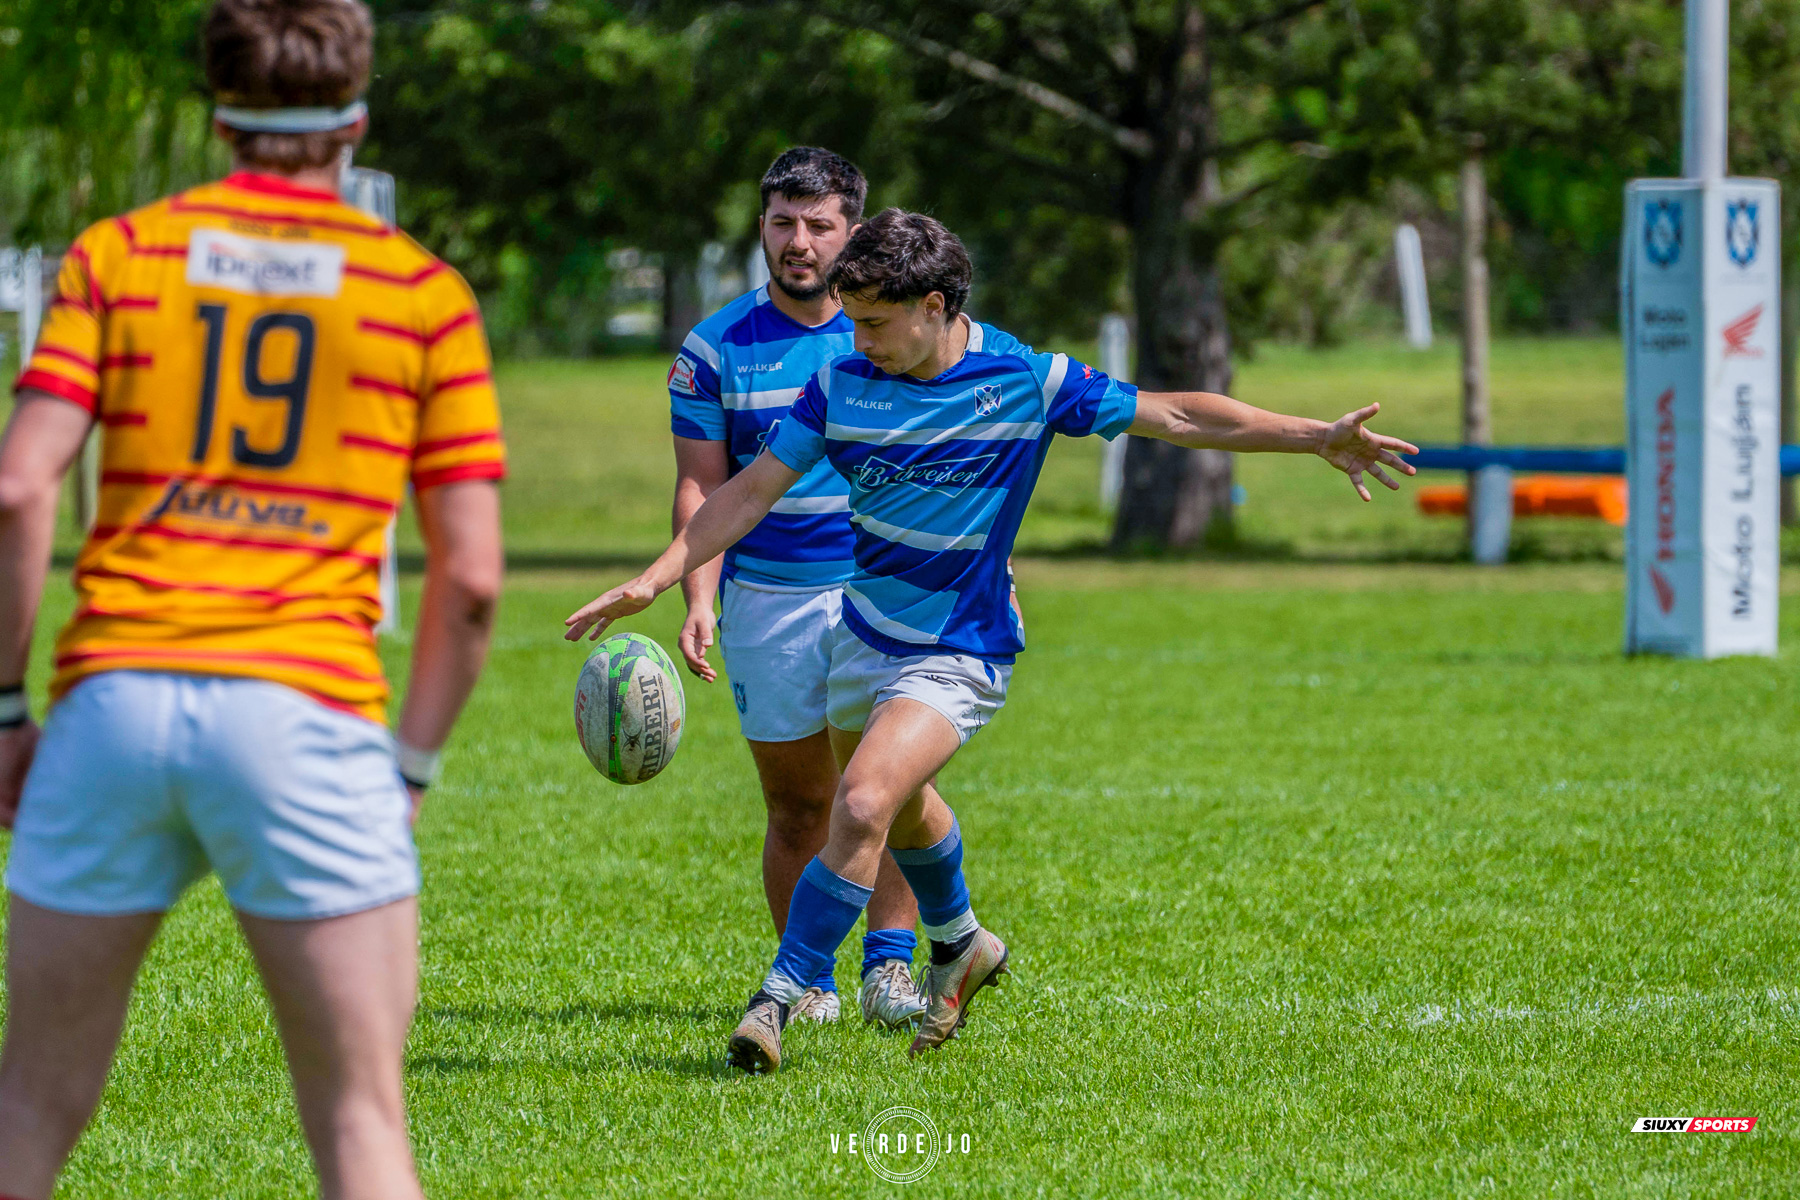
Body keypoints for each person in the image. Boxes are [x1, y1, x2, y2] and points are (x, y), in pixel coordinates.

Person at [567, 209, 1418, 1073]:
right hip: (864, 637)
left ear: (933, 305)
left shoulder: (1024, 379)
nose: (854, 340)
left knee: (859, 802)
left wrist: (1316, 435)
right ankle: (963, 941)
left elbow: (1179, 415)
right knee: (900, 805)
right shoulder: (841, 386)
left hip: (961, 648)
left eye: (871, 322)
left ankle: (780, 999)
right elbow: (747, 493)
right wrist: (661, 574)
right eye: (850, 320)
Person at [0, 1, 505, 1195]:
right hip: (304, 708)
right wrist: (415, 768)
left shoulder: (117, 256)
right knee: (361, 1126)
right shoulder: (421, 292)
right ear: (357, 121)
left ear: (218, 114)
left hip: (111, 706)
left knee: (26, 1106)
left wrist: (6, 713)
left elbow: (20, 490)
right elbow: (474, 581)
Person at [667, 148, 926, 1028]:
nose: (799, 242)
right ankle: (806, 978)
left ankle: (890, 969)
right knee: (799, 802)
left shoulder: (891, 332)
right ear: (763, 227)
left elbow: (956, 462)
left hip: (879, 591)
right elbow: (702, 487)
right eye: (783, 222)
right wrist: (699, 598)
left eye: (819, 225)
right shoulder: (713, 350)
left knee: (879, 786)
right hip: (767, 601)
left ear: (852, 229)